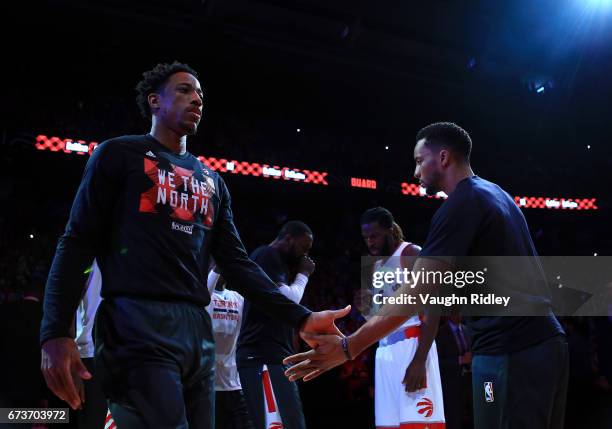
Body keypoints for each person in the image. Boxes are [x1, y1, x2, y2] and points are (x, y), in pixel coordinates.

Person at [40, 61, 349, 429]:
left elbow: (237, 264)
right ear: (155, 101)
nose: (197, 99)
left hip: (195, 329)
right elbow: (76, 243)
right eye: (185, 90)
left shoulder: (213, 181)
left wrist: (302, 317)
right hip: (135, 321)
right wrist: (55, 332)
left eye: (200, 93)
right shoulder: (118, 155)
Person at [284, 122, 568, 429]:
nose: (416, 172)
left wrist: (347, 347)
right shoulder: (497, 194)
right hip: (541, 345)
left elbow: (417, 292)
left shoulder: (460, 204)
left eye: (420, 161)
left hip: (511, 351)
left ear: (443, 158)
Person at [359, 207, 445, 428]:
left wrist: (419, 359)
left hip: (412, 346)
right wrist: (364, 309)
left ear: (389, 231)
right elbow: (374, 319)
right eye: (366, 237)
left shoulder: (411, 253)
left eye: (375, 235)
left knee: (418, 424)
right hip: (384, 351)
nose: (370, 242)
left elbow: (435, 307)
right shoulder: (374, 265)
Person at [237, 221, 315, 429]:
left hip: (270, 355)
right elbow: (287, 300)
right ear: (288, 238)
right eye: (303, 248)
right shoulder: (266, 255)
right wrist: (304, 274)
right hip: (262, 355)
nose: (304, 256)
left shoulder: (274, 261)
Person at [206, 268, 254, 429]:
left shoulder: (237, 297)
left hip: (234, 383)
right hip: (208, 385)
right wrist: (216, 268)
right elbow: (203, 291)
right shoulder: (201, 294)